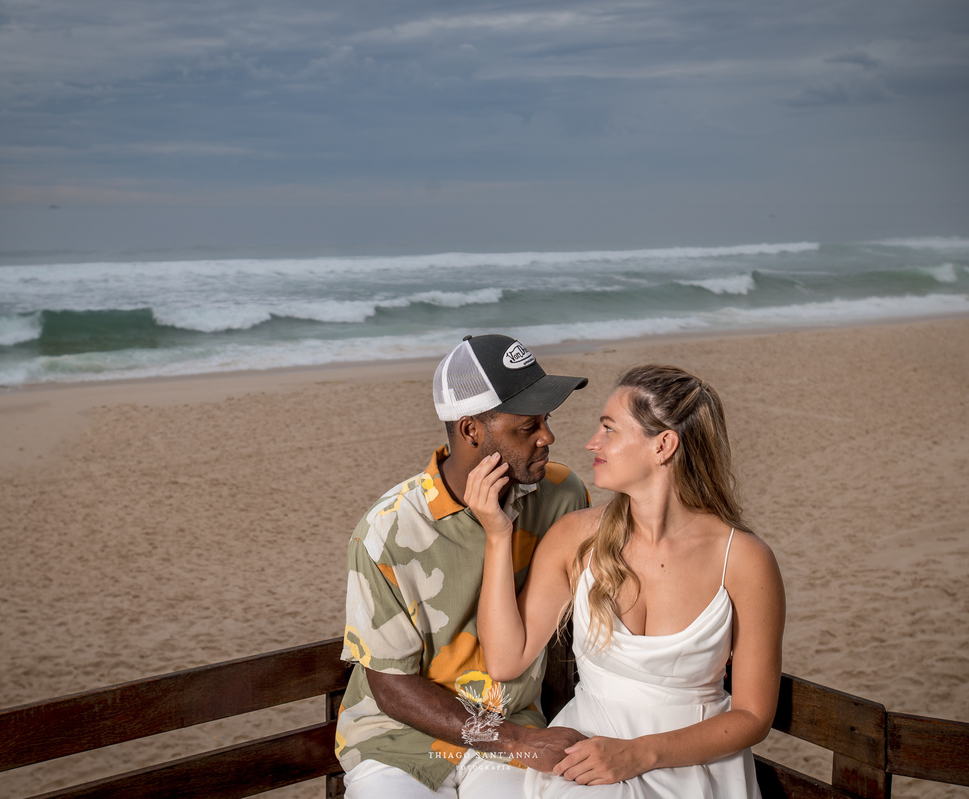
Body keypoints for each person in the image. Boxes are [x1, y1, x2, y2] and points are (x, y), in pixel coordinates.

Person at [466, 364, 785, 798]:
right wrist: (497, 535)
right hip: (585, 756)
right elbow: (506, 661)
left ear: (663, 445)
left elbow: (753, 716)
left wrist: (639, 754)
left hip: (694, 767)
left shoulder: (744, 560)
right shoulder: (575, 537)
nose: (591, 442)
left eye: (609, 429)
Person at [336, 334, 594, 798]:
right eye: (527, 426)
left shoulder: (562, 496)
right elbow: (392, 687)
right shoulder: (387, 530)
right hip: (397, 742)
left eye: (547, 420)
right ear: (471, 430)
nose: (547, 437)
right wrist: (518, 742)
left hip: (512, 723)